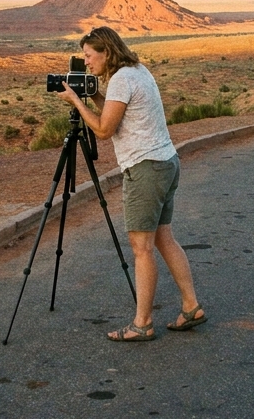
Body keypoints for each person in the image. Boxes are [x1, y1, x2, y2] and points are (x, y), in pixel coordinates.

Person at [54, 26, 206, 342]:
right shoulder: (136, 70)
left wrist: (75, 102)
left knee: (141, 248)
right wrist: (93, 94)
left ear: (106, 52)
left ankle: (142, 323)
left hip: (145, 169)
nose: (87, 62)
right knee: (164, 238)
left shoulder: (122, 79)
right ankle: (191, 306)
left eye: (89, 56)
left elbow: (105, 129)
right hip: (166, 162)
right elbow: (116, 111)